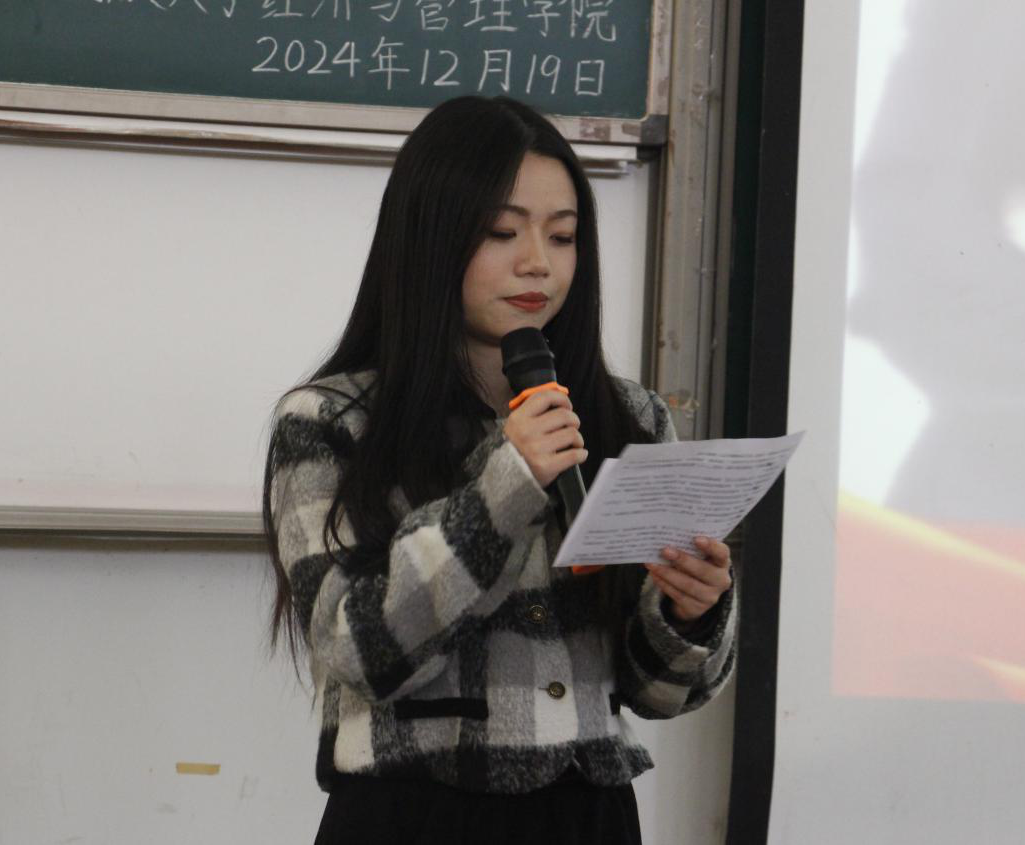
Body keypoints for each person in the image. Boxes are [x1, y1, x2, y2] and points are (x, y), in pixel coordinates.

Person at [261, 95, 738, 845]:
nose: (537, 262)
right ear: (430, 238)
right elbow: (357, 650)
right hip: (412, 815)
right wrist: (505, 486)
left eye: (563, 235)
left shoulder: (631, 420)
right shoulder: (327, 422)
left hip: (589, 814)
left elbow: (661, 693)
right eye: (501, 232)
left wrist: (688, 611)